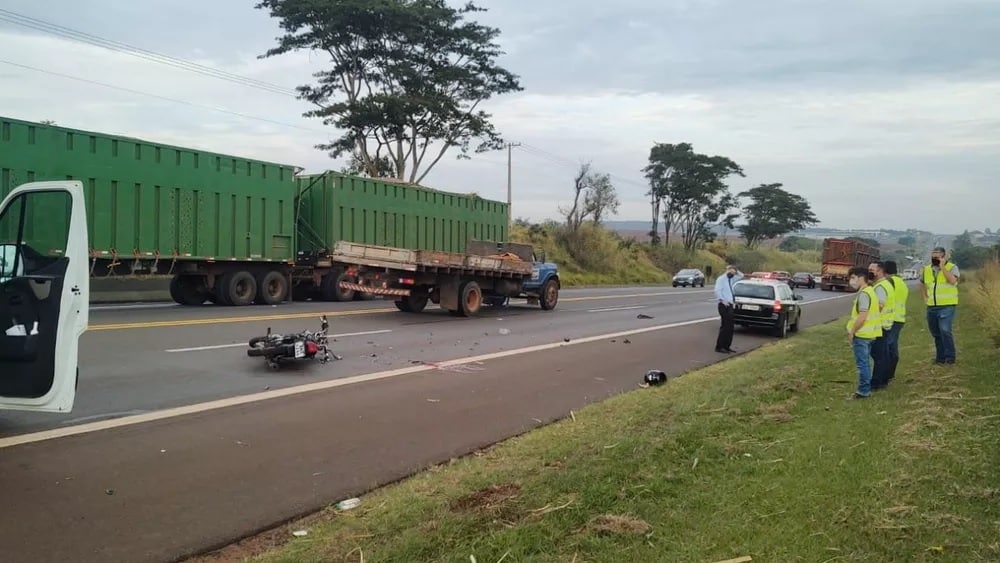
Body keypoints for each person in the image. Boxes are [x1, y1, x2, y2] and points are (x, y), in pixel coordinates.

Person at [846, 266, 882, 399]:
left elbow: (863, 315)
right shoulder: (870, 291)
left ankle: (863, 391)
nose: (851, 281)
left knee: (863, 364)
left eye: (853, 278)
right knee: (866, 362)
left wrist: (852, 331)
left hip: (862, 335)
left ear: (862, 278)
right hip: (870, 333)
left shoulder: (864, 294)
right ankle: (865, 387)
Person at [919, 247, 960, 364]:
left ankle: (950, 357)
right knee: (936, 333)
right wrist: (925, 297)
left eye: (937, 256)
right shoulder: (927, 269)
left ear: (943, 256)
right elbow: (922, 283)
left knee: (945, 330)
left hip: (947, 305)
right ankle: (940, 358)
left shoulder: (952, 267)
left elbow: (953, 281)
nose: (934, 258)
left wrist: (942, 267)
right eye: (933, 256)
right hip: (932, 306)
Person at [867, 261, 896, 389]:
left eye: (871, 270)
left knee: (878, 355)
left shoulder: (880, 287)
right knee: (883, 354)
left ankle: (877, 382)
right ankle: (883, 380)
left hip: (880, 325)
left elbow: (879, 305)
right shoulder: (886, 284)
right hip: (885, 323)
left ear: (880, 271)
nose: (869, 272)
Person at [883, 260, 908, 380]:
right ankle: (890, 374)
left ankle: (886, 374)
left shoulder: (888, 282)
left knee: (887, 346)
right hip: (899, 318)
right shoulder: (901, 282)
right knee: (892, 345)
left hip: (890, 317)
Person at [713, 264, 743, 354]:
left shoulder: (732, 279)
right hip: (723, 305)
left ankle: (727, 346)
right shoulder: (721, 279)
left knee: (730, 327)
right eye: (731, 272)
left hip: (730, 304)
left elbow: (741, 276)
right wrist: (722, 300)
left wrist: (736, 270)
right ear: (727, 271)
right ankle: (720, 346)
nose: (732, 274)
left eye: (734, 273)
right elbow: (717, 290)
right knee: (725, 326)